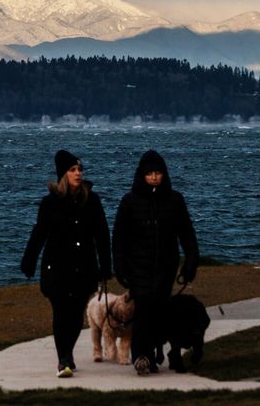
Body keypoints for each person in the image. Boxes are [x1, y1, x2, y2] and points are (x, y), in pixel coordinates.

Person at [20, 149, 112, 378]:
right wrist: (29, 261)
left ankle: (67, 352)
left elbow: (102, 235)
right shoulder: (50, 203)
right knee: (61, 313)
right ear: (63, 174)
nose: (78, 173)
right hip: (57, 267)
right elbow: (39, 233)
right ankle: (64, 359)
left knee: (76, 316)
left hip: (84, 267)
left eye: (80, 169)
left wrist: (106, 267)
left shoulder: (92, 201)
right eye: (72, 170)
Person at [112, 149, 199, 376]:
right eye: (149, 173)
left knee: (159, 310)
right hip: (137, 267)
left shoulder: (175, 200)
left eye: (158, 173)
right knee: (143, 310)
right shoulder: (129, 201)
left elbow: (187, 234)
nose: (153, 177)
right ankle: (142, 356)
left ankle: (155, 353)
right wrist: (119, 266)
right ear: (142, 175)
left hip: (165, 266)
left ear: (164, 174)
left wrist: (191, 262)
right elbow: (119, 238)